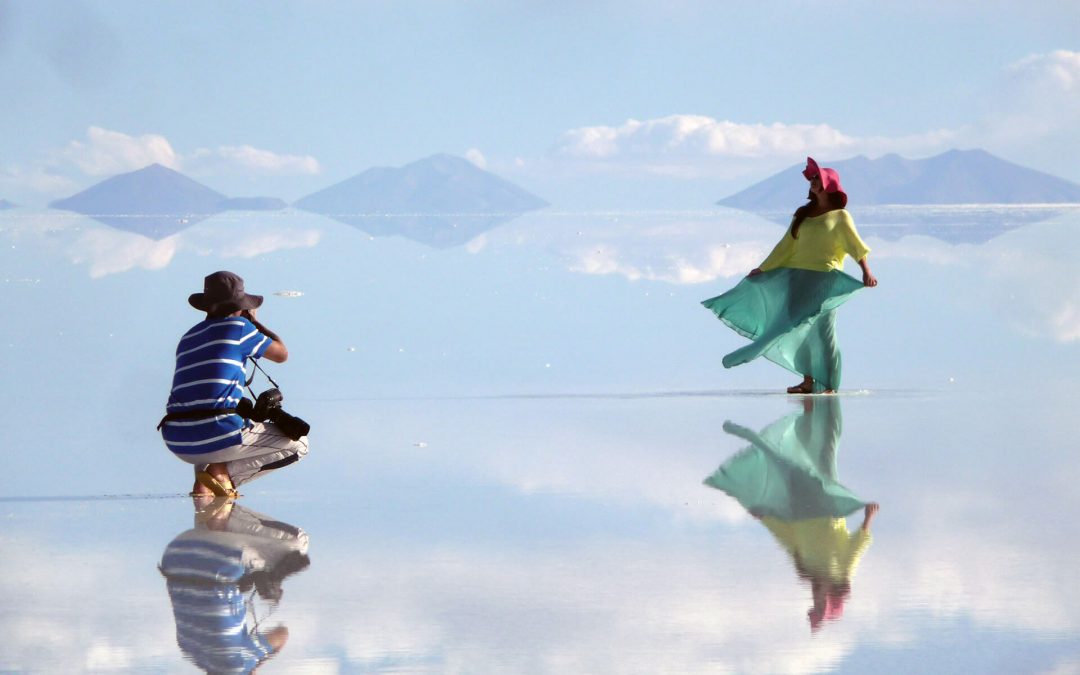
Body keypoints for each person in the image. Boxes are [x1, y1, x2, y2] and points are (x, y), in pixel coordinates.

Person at [702, 157, 877, 393]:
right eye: (812, 178)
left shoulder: (840, 216)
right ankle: (808, 381)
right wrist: (763, 268)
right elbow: (786, 246)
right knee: (797, 328)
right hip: (797, 278)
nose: (812, 181)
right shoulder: (802, 214)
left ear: (829, 184)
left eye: (817, 178)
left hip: (825, 279)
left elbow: (855, 245)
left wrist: (866, 271)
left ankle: (828, 384)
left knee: (823, 333)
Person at [160, 271, 308, 497]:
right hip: (218, 434)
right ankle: (222, 475)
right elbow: (282, 354)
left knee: (209, 413)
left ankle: (203, 487)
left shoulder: (188, 337)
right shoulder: (240, 327)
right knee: (300, 445)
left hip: (177, 439)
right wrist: (255, 322)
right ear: (241, 306)